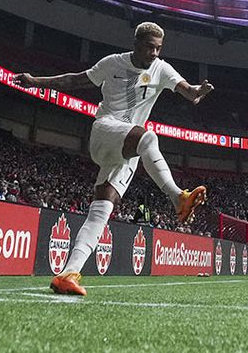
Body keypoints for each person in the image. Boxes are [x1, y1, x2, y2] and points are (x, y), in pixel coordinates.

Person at [12, 21, 213, 297]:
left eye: (158, 48)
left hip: (128, 149)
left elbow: (188, 91)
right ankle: (178, 197)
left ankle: (67, 274)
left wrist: (198, 92)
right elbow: (74, 80)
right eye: (149, 47)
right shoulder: (113, 63)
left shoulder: (161, 68)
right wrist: (36, 81)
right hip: (106, 132)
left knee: (102, 209)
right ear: (136, 44)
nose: (154, 53)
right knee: (148, 138)